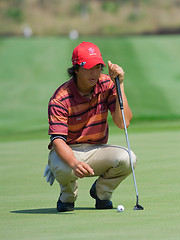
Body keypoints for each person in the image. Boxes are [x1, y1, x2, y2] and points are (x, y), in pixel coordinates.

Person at [44, 41, 137, 212]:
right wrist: (72, 163)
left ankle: (101, 193)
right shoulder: (60, 98)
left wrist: (119, 84)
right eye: (89, 68)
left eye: (98, 67)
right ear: (76, 69)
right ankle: (67, 196)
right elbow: (57, 141)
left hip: (97, 149)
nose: (95, 73)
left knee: (128, 159)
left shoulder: (106, 84)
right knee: (64, 167)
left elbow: (123, 123)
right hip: (69, 150)